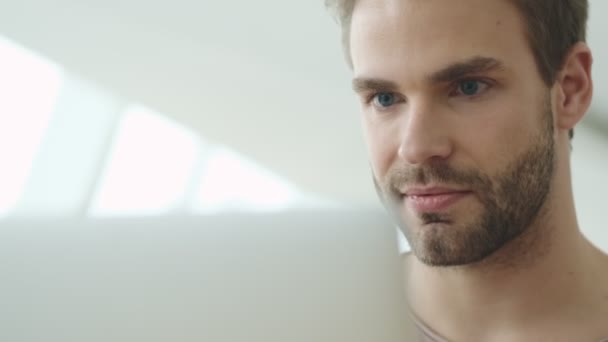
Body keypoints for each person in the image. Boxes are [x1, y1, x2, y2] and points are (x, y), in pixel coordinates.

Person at [325, 0, 608, 340]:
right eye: (384, 98)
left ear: (570, 91)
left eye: (468, 87)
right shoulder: (304, 322)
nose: (415, 148)